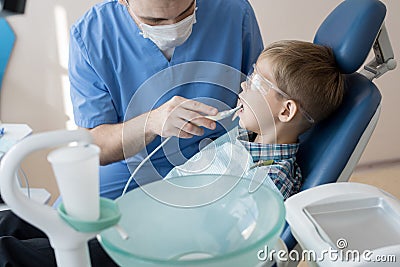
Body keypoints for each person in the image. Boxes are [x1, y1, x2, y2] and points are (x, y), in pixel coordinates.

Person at [0, 0, 263, 266]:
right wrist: (151, 122)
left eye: (185, 14)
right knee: (46, 228)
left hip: (213, 165)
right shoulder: (93, 34)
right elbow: (95, 147)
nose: (174, 28)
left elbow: (260, 97)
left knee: (64, 253)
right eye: (156, 22)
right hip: (127, 167)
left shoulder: (234, 12)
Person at [166, 40, 345, 200]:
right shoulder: (244, 138)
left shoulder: (271, 181)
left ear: (286, 110)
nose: (245, 84)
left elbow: (232, 230)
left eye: (258, 83)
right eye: (252, 75)